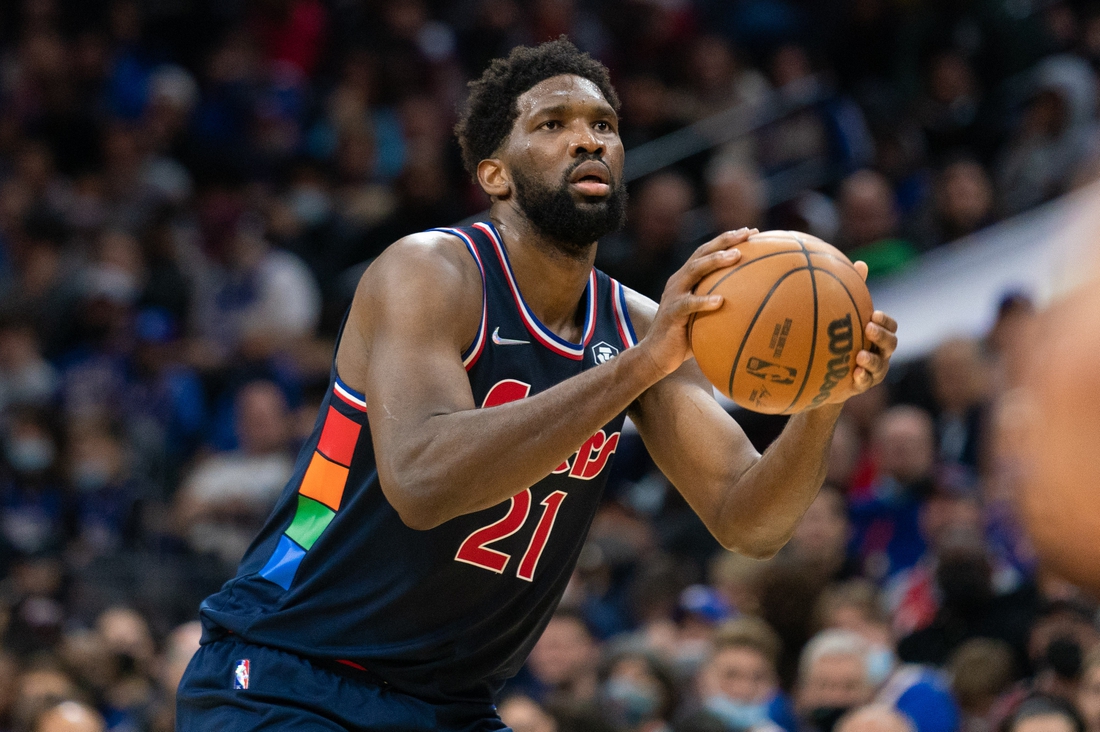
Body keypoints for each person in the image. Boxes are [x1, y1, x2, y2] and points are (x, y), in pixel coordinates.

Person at [177, 38, 897, 731]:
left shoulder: (637, 324)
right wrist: (639, 365)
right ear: (495, 173)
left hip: (446, 703)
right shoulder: (431, 271)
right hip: (287, 668)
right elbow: (422, 479)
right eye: (553, 124)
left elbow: (750, 521)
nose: (589, 141)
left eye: (604, 126)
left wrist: (822, 401)